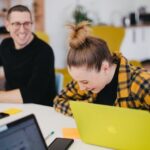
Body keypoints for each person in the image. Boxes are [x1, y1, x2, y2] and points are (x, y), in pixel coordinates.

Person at [53, 21, 150, 116]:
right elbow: (59, 101)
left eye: (85, 82)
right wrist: (87, 111)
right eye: (77, 81)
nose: (81, 87)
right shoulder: (83, 78)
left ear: (105, 68)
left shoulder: (142, 82)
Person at [0, 5, 56, 106]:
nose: (22, 30)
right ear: (7, 26)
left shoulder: (44, 52)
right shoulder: (5, 45)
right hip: (11, 106)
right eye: (16, 24)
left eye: (26, 23)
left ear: (31, 24)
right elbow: (2, 69)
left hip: (40, 110)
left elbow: (32, 95)